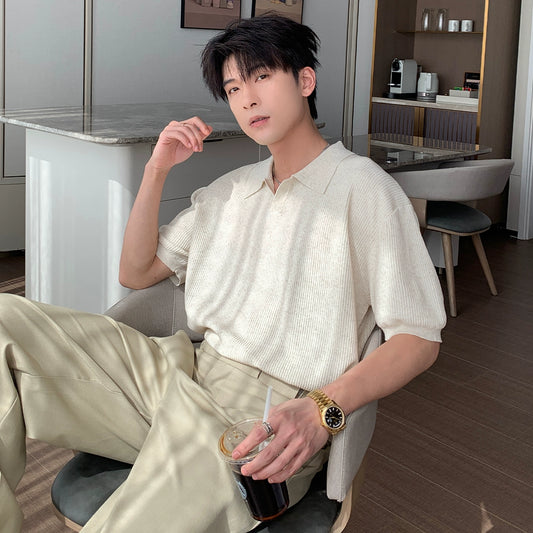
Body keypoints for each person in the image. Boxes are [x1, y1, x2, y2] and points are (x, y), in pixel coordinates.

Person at [0, 14, 446, 533]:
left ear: (305, 80)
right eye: (233, 88)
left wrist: (322, 409)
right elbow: (136, 272)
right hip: (179, 371)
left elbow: (418, 338)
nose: (247, 99)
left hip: (264, 415)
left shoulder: (365, 191)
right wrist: (156, 169)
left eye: (261, 77)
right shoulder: (229, 190)